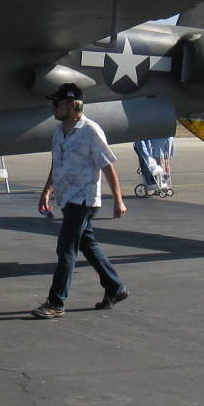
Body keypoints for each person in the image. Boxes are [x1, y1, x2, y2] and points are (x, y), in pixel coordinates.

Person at [34, 83, 129, 318]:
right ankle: (115, 287)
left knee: (65, 249)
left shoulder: (90, 131)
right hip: (66, 198)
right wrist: (47, 191)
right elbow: (57, 164)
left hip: (83, 199)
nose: (53, 108)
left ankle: (56, 303)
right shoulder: (59, 132)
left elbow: (107, 166)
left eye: (57, 103)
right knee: (88, 244)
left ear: (72, 104)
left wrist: (119, 199)